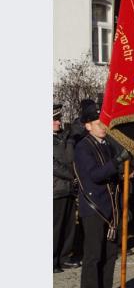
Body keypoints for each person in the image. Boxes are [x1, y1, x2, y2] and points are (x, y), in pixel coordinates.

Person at [73, 99, 129, 288]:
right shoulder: (83, 147)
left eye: (104, 122)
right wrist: (116, 163)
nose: (103, 127)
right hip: (94, 207)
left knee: (109, 253)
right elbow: (95, 175)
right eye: (98, 123)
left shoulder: (106, 144)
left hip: (111, 206)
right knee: (93, 255)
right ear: (88, 125)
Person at [54, 103, 80, 273]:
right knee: (55, 227)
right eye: (55, 119)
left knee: (69, 226)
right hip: (55, 189)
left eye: (59, 118)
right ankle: (52, 260)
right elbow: (53, 166)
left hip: (68, 188)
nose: (59, 122)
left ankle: (64, 257)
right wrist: (72, 175)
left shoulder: (63, 137)